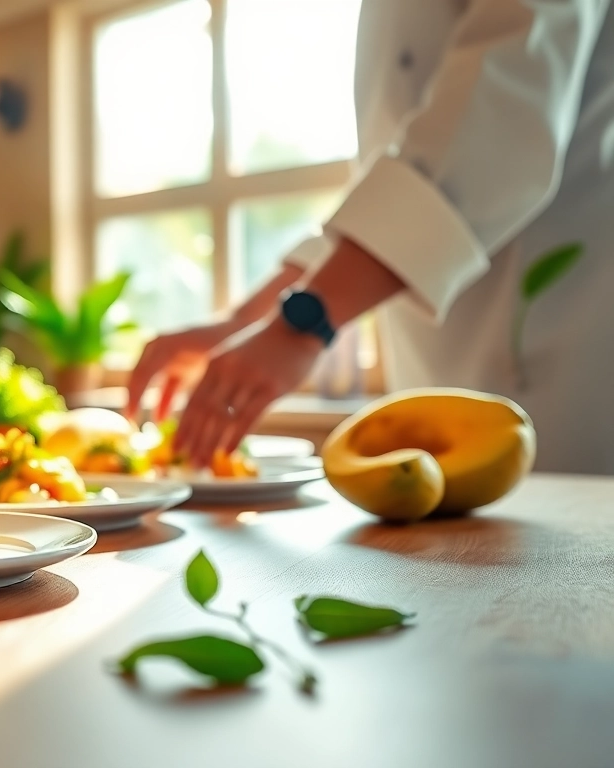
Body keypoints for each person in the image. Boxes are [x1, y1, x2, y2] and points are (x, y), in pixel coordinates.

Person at [125, 0, 614, 475]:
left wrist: (303, 326)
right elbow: (383, 204)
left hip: (561, 336)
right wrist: (243, 322)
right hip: (431, 356)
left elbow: (498, 125)